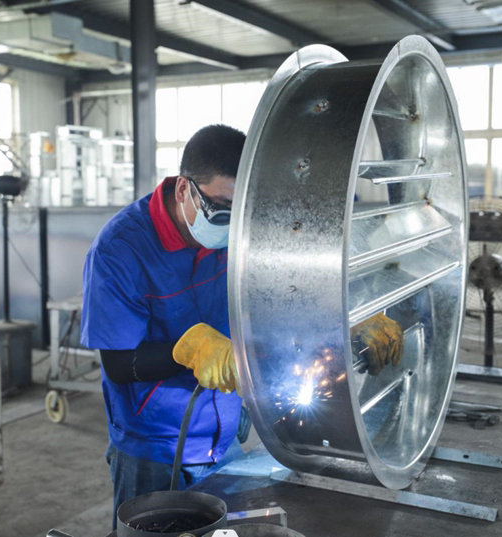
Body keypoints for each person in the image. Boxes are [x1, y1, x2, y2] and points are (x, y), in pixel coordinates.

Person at [81, 123, 404, 528]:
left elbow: (284, 296)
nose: (231, 224)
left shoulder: (243, 234)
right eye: (221, 207)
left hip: (230, 434)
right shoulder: (120, 249)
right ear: (183, 190)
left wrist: (344, 324)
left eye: (242, 211)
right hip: (155, 447)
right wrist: (188, 351)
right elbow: (116, 364)